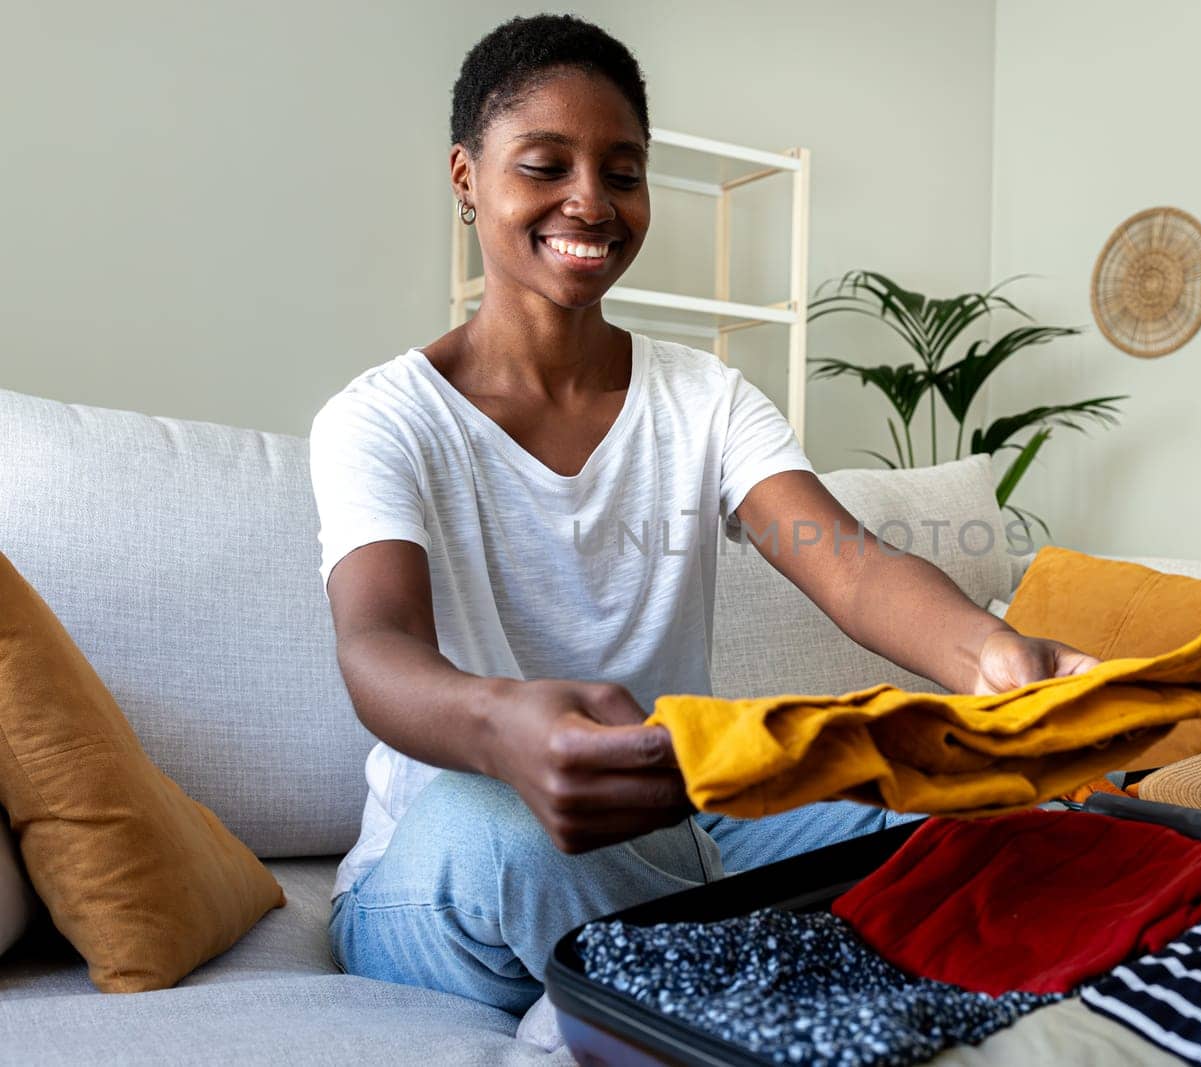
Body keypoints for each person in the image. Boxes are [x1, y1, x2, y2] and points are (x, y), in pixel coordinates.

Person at [309, 13, 1099, 1017]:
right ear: (466, 178)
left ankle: (678, 966)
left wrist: (991, 654)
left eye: (623, 170)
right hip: (450, 868)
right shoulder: (379, 419)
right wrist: (500, 723)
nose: (589, 200)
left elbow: (845, 561)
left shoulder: (705, 399)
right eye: (545, 164)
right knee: (505, 833)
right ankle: (748, 963)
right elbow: (375, 643)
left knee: (967, 799)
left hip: (680, 834)